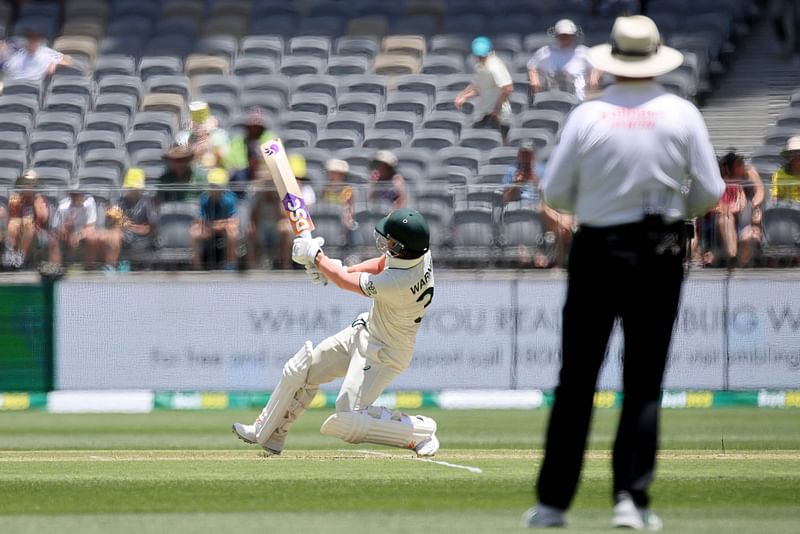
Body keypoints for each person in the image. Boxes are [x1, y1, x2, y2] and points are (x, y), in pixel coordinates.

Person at [522, 16, 725, 530]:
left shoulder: (590, 115)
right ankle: (630, 500)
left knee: (576, 379)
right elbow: (709, 192)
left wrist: (600, 198)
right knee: (643, 380)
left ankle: (552, 504)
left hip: (598, 248)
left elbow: (556, 193)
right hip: (659, 248)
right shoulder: (681, 114)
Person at [232, 208, 439, 458]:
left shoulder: (397, 283)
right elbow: (380, 264)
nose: (386, 243)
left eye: (390, 241)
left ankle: (420, 432)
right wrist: (336, 268)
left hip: (385, 353)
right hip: (366, 331)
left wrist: (318, 257)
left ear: (401, 246)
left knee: (348, 416)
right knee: (303, 369)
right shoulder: (419, 255)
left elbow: (343, 282)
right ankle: (269, 430)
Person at [501, 141, 572, 268]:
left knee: (558, 225)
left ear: (533, 155)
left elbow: (550, 194)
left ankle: (556, 260)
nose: (526, 157)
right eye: (523, 154)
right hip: (519, 207)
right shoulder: (512, 171)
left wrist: (537, 181)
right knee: (556, 220)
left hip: (541, 205)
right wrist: (516, 185)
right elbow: (505, 199)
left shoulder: (541, 170)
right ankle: (539, 255)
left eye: (528, 154)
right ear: (519, 155)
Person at [454, 37, 513, 141]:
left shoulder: (495, 66)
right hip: (483, 114)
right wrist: (463, 96)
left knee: (500, 146)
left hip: (499, 116)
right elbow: (477, 88)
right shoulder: (480, 67)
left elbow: (507, 88)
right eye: (478, 55)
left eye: (481, 55)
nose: (479, 58)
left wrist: (496, 109)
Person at [100, 168, 158, 272]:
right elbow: (111, 223)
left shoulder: (147, 202)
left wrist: (131, 227)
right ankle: (107, 266)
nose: (132, 190)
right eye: (130, 188)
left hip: (140, 237)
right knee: (108, 234)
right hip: (123, 236)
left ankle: (111, 266)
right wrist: (110, 216)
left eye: (134, 188)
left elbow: (150, 229)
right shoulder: (121, 201)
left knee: (115, 234)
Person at [527, 19, 598, 101]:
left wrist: (594, 78)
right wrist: (534, 80)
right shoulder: (545, 52)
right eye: (562, 35)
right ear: (556, 36)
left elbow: (598, 65)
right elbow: (531, 65)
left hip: (578, 97)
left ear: (574, 36)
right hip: (550, 97)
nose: (565, 38)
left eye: (568, 35)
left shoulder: (583, 52)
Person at [191, 167, 239, 270]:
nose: (213, 189)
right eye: (211, 186)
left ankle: (231, 266)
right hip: (209, 229)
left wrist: (215, 225)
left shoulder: (230, 199)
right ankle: (197, 267)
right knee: (194, 232)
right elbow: (200, 221)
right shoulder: (203, 199)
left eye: (216, 186)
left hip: (223, 229)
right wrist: (218, 224)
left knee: (232, 233)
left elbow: (233, 221)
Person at [3, 170, 49, 269]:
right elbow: (12, 218)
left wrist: (36, 205)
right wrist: (18, 205)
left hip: (38, 230)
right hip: (20, 228)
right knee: (13, 223)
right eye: (26, 183)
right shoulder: (16, 199)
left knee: (29, 225)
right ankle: (10, 253)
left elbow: (43, 220)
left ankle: (20, 258)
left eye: (31, 183)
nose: (28, 185)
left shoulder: (40, 200)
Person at [49, 184, 99, 268]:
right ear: (70, 195)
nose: (76, 197)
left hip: (83, 232)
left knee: (92, 237)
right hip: (66, 233)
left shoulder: (89, 204)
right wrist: (66, 226)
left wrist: (78, 235)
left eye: (78, 194)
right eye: (73, 194)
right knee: (53, 239)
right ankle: (54, 269)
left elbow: (91, 227)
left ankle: (88, 267)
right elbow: (56, 228)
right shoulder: (63, 207)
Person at [2, 29, 72, 81]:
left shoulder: (45, 53)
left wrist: (54, 64)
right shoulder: (17, 57)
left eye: (35, 41)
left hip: (35, 87)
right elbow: (6, 73)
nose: (33, 43)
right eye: (30, 40)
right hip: (16, 88)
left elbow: (68, 60)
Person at [322, 158, 357, 243]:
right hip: (328, 217)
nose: (331, 175)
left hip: (343, 219)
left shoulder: (347, 190)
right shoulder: (325, 189)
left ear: (341, 175)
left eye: (334, 173)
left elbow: (350, 209)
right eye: (330, 172)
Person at [770, 135, 800, 204]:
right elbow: (776, 197)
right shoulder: (779, 174)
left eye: (799, 154)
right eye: (792, 154)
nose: (796, 157)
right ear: (788, 156)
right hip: (786, 210)